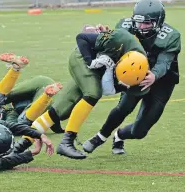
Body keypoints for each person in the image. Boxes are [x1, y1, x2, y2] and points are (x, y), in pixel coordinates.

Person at [13, 28, 150, 159]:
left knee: (60, 111)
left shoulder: (140, 74)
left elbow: (109, 89)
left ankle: (19, 146)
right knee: (93, 93)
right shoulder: (119, 39)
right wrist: (90, 61)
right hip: (82, 59)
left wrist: (113, 75)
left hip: (99, 72)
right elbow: (82, 37)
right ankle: (67, 141)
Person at [83, 0, 181, 155]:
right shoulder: (126, 26)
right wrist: (105, 36)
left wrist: (154, 76)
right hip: (134, 74)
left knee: (140, 132)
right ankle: (99, 138)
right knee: (124, 108)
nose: (141, 26)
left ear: (159, 22)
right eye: (139, 22)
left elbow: (165, 62)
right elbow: (114, 47)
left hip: (162, 81)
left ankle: (119, 135)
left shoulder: (170, 36)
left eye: (147, 23)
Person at [0, 53, 64, 133]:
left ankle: (16, 67)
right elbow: (52, 115)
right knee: (22, 122)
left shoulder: (1, 105)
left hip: (40, 85)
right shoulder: (8, 121)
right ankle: (47, 95)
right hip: (48, 95)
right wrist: (58, 128)